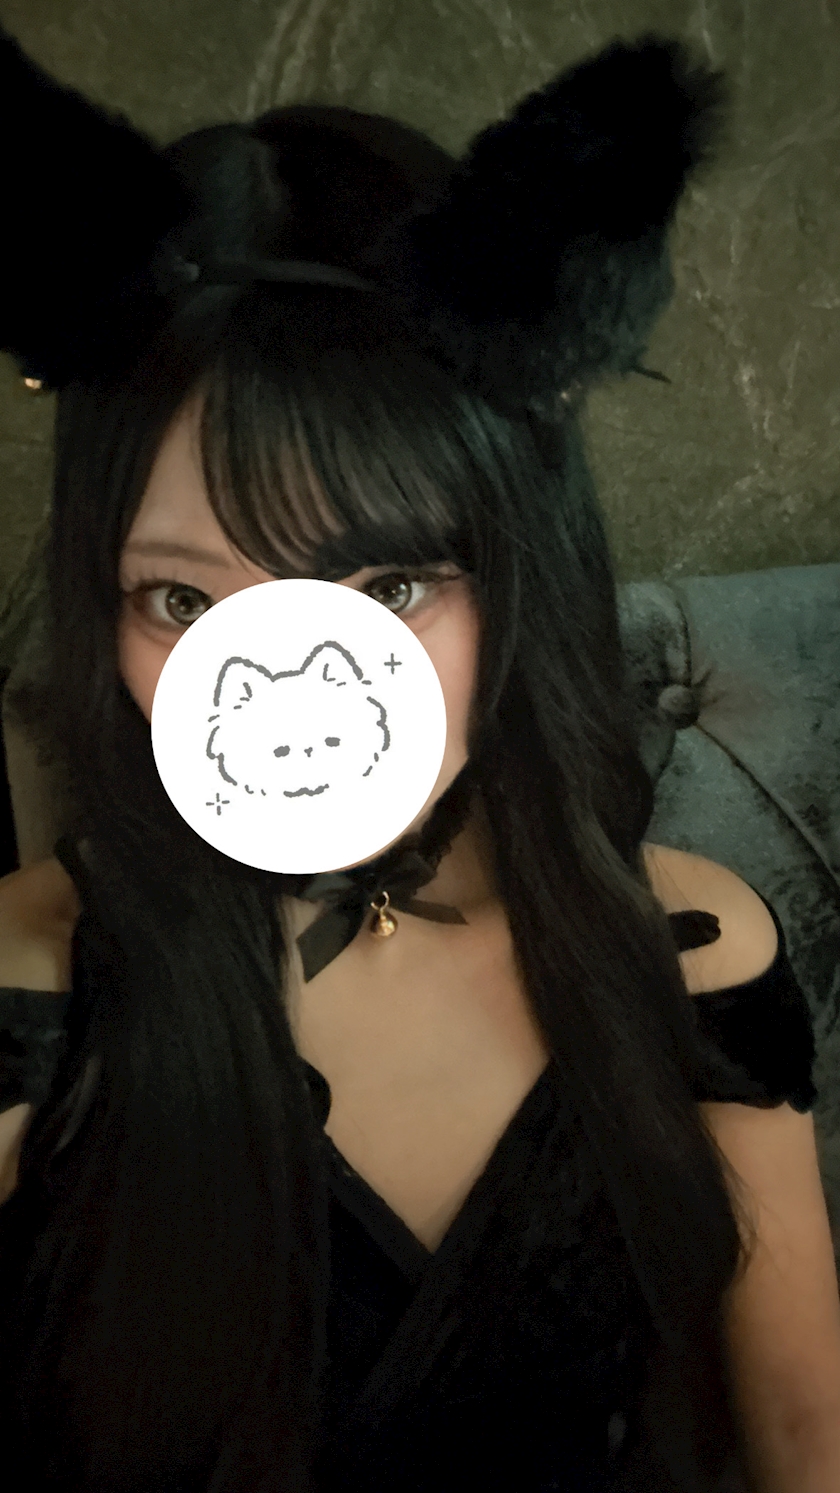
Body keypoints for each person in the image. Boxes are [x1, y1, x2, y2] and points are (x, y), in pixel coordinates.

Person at [0, 24, 838, 1493]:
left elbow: (801, 1439)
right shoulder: (30, 982)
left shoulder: (695, 956)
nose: (282, 691)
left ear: (517, 572)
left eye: (389, 587)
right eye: (183, 602)